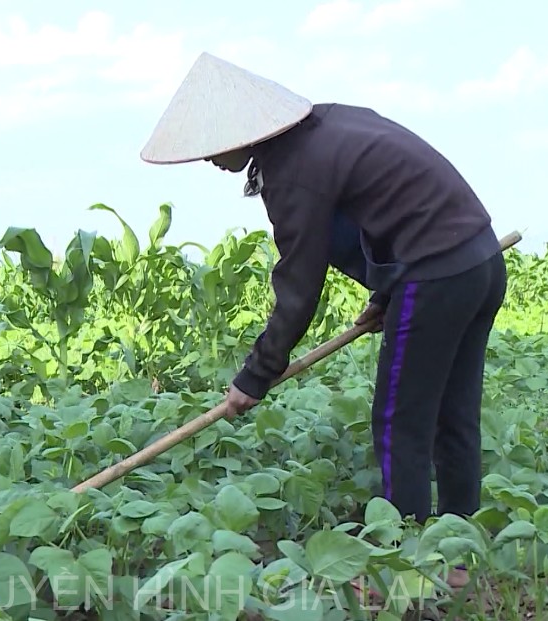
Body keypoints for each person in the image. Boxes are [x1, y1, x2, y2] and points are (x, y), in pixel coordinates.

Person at [138, 52, 507, 592]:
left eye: (213, 145)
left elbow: (298, 285)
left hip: (433, 277)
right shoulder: (330, 125)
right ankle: (459, 555)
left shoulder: (294, 171)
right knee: (453, 417)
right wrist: (387, 292)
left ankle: (398, 567)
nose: (209, 160)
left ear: (244, 130)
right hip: (478, 262)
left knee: (398, 420)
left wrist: (254, 377)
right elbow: (384, 212)